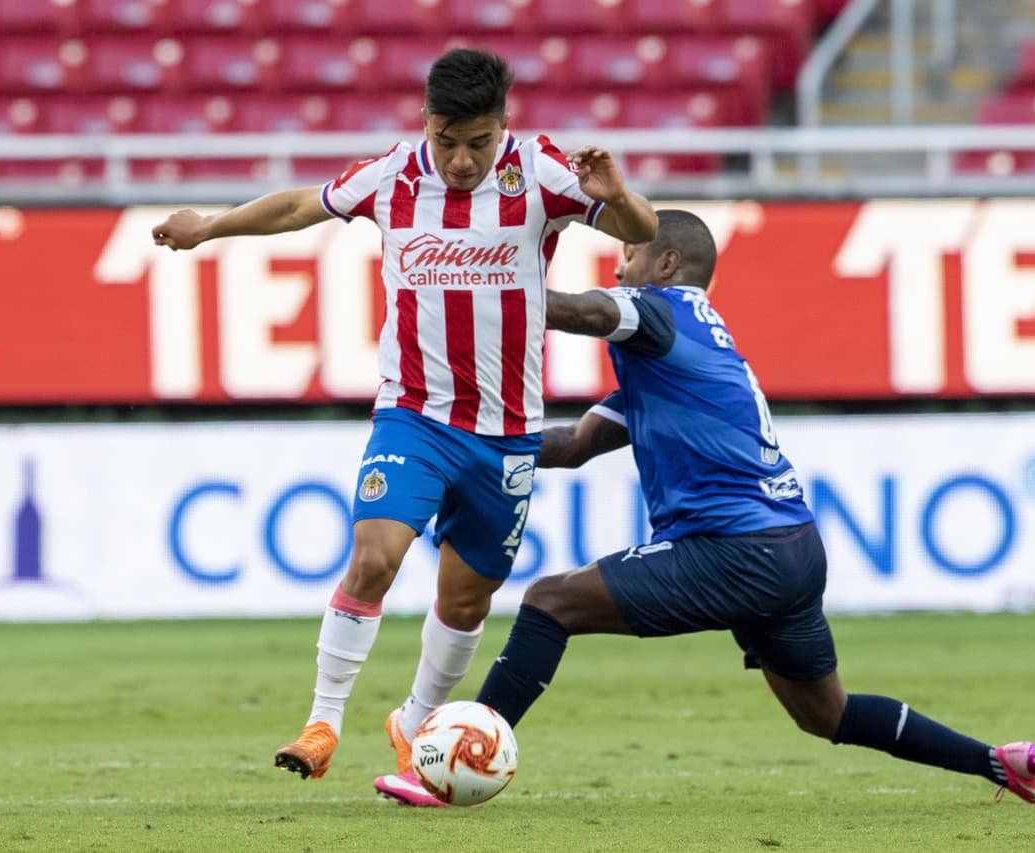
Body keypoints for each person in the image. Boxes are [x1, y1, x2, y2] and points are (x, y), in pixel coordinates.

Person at [151, 48, 657, 806]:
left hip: (507, 430)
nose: (459, 159)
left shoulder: (543, 171)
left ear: (502, 129)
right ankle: (321, 723)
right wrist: (210, 226)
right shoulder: (393, 174)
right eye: (446, 138)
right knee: (374, 556)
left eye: (477, 143)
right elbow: (298, 206)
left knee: (465, 602)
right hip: (414, 413)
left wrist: (618, 197)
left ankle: (419, 724)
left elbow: (640, 230)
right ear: (425, 121)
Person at [472, 209, 1035, 806]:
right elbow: (574, 447)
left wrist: (480, 282)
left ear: (667, 264)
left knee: (550, 602)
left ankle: (465, 754)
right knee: (827, 716)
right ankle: (1000, 763)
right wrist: (479, 446)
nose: (619, 265)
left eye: (628, 254)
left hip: (736, 552)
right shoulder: (682, 357)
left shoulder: (662, 311)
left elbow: (587, 312)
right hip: (794, 550)